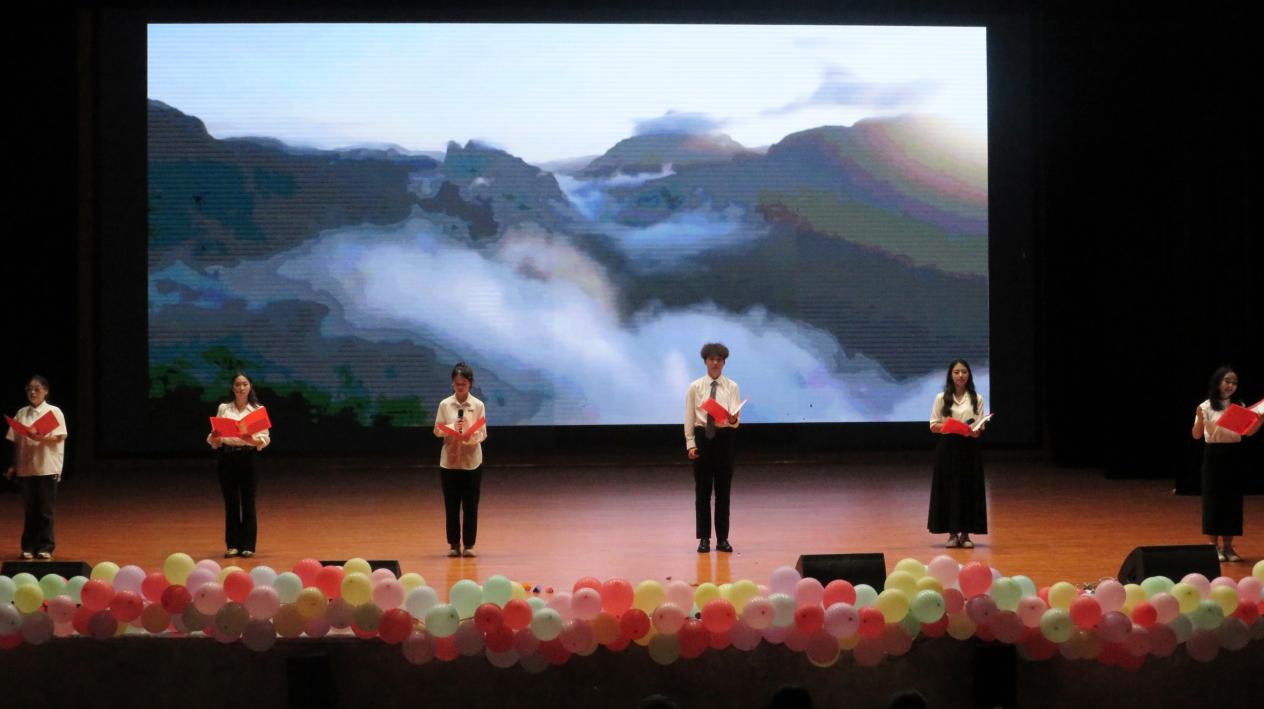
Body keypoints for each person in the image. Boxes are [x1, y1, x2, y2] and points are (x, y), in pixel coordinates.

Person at [1191, 365, 1262, 562]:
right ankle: (1213, 547)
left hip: (1233, 456)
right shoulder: (1205, 406)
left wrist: (1259, 421)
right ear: (1218, 382)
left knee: (1232, 500)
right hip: (1214, 455)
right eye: (1227, 381)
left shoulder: (1239, 405)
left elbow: (1247, 433)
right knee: (1213, 499)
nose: (1231, 385)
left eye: (1234, 383)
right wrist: (1199, 419)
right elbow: (1196, 435)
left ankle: (1229, 547)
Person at [685, 342, 741, 553]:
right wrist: (690, 443)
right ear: (705, 362)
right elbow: (689, 417)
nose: (715, 363)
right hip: (703, 438)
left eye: (719, 360)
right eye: (711, 359)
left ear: (724, 362)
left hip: (725, 438)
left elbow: (735, 421)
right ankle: (704, 539)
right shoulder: (695, 387)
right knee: (702, 492)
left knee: (723, 492)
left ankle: (723, 539)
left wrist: (733, 419)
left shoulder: (732, 386)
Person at [206, 371, 270, 558]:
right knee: (231, 502)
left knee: (248, 501)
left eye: (244, 384)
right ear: (232, 387)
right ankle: (233, 545)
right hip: (227, 457)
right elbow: (214, 440)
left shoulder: (257, 410)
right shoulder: (224, 408)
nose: (241, 388)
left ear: (250, 386)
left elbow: (265, 439)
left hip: (249, 457)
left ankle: (248, 545)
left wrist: (250, 439)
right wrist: (214, 437)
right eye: (237, 384)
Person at [4, 375, 68, 560]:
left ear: (45, 391)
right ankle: (28, 546)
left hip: (47, 467)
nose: (32, 392)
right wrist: (13, 465)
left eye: (37, 389)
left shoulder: (54, 412)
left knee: (45, 510)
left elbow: (59, 437)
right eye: (29, 389)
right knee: (30, 510)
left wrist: (40, 437)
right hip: (26, 468)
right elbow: (16, 441)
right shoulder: (22, 413)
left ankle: (45, 547)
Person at [928, 359, 987, 548]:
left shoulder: (977, 398)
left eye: (964, 372)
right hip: (948, 448)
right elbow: (933, 425)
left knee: (968, 488)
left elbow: (979, 427)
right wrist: (950, 426)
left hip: (969, 448)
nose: (960, 375)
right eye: (956, 372)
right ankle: (952, 534)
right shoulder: (941, 398)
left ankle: (966, 535)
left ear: (969, 375)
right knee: (949, 488)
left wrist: (977, 429)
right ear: (951, 375)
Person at [433, 362, 487, 558]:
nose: (460, 387)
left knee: (471, 505)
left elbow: (483, 432)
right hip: (449, 461)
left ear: (470, 383)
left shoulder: (478, 405)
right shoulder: (445, 404)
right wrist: (452, 427)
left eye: (463, 384)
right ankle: (454, 544)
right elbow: (437, 429)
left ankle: (469, 545)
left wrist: (470, 436)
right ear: (452, 384)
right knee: (452, 505)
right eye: (457, 384)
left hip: (472, 462)